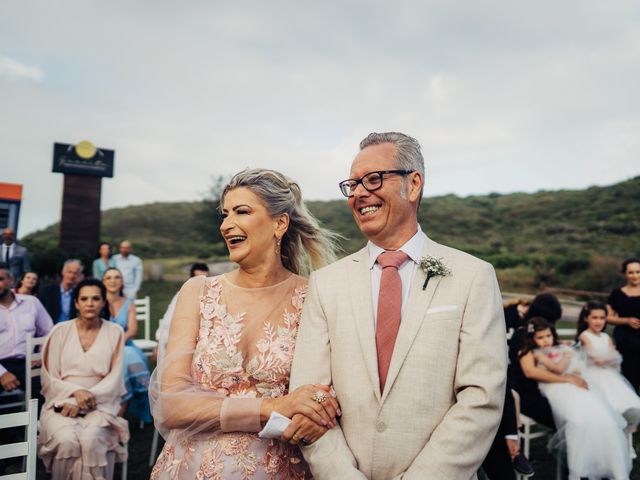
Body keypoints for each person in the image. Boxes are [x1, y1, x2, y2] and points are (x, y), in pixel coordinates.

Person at [289, 132, 506, 479]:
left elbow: (481, 398)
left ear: (414, 184)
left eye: (373, 179)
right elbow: (308, 397)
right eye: (353, 184)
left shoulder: (473, 276)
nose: (359, 193)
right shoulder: (326, 284)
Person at [150, 168, 340, 480]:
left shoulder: (314, 296)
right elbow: (172, 406)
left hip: (279, 469)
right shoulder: (197, 292)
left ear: (279, 223)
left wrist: (316, 409)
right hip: (190, 467)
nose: (226, 225)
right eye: (224, 215)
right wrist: (272, 407)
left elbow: (330, 392)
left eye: (242, 211)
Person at [37, 278, 129, 479]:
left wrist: (84, 400)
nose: (90, 303)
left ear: (104, 302)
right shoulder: (59, 331)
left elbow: (115, 378)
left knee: (92, 439)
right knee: (66, 440)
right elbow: (49, 376)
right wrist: (73, 396)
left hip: (102, 403)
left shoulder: (115, 333)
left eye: (95, 298)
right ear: (76, 303)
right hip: (61, 402)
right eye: (84, 299)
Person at [519, 317, 630, 480]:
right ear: (532, 339)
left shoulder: (560, 347)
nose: (545, 341)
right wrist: (567, 354)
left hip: (574, 386)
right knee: (577, 422)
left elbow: (575, 368)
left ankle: (616, 470)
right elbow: (558, 369)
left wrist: (572, 363)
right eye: (540, 337)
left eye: (548, 336)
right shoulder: (536, 353)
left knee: (603, 419)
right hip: (555, 388)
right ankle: (575, 473)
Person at [578, 300, 640, 429]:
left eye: (602, 318)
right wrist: (610, 357)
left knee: (627, 403)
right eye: (594, 318)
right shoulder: (585, 336)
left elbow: (617, 357)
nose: (599, 321)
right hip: (592, 376)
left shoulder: (606, 337)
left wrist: (610, 358)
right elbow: (597, 359)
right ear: (586, 318)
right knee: (607, 406)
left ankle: (623, 433)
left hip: (609, 374)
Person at [102, 267, 152, 423]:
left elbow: (132, 331)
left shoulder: (129, 303)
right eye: (109, 277)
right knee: (129, 356)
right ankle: (142, 388)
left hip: (125, 344)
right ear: (103, 282)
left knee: (129, 354)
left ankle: (122, 410)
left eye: (117, 277)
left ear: (122, 281)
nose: (113, 280)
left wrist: (116, 344)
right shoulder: (97, 301)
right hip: (102, 347)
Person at [509, 292, 563, 429]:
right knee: (564, 412)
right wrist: (568, 379)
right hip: (528, 391)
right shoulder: (523, 334)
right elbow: (529, 372)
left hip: (545, 384)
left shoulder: (541, 333)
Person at [0, 262, 52, 398]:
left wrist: (40, 355)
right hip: (0, 364)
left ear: (11, 280)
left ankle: (40, 419)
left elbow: (48, 331)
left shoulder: (31, 302)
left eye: (0, 279)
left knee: (48, 394)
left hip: (27, 363)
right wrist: (2, 373)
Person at [154, 262, 209, 361]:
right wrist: (159, 342)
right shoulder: (182, 295)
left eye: (204, 279)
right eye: (197, 279)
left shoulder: (210, 296)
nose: (200, 283)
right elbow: (168, 319)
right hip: (183, 339)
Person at [607, 257, 640, 392]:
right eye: (631, 272)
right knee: (630, 378)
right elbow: (607, 317)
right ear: (625, 274)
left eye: (638, 272)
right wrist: (625, 320)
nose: (635, 276)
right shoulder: (617, 294)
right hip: (626, 341)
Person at [38, 259, 82, 323]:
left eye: (75, 273)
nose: (71, 276)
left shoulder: (78, 294)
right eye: (69, 272)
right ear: (63, 272)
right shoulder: (47, 291)